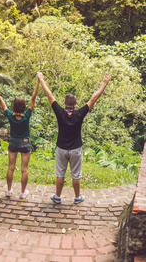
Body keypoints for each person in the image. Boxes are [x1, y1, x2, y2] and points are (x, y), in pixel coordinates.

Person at [37, 72, 111, 204]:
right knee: (76, 175)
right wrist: (104, 83)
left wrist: (41, 79)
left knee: (60, 174)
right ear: (76, 102)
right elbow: (93, 98)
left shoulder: (60, 112)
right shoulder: (79, 114)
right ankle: (77, 197)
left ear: (64, 102)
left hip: (61, 149)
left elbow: (49, 95)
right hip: (76, 149)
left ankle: (57, 197)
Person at [0, 78, 39, 199]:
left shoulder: (10, 115)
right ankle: (22, 193)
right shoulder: (27, 116)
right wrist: (37, 83)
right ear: (24, 106)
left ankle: (9, 191)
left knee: (11, 167)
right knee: (24, 170)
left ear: (14, 106)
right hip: (25, 142)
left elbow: (0, 99)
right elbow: (33, 98)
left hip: (13, 142)